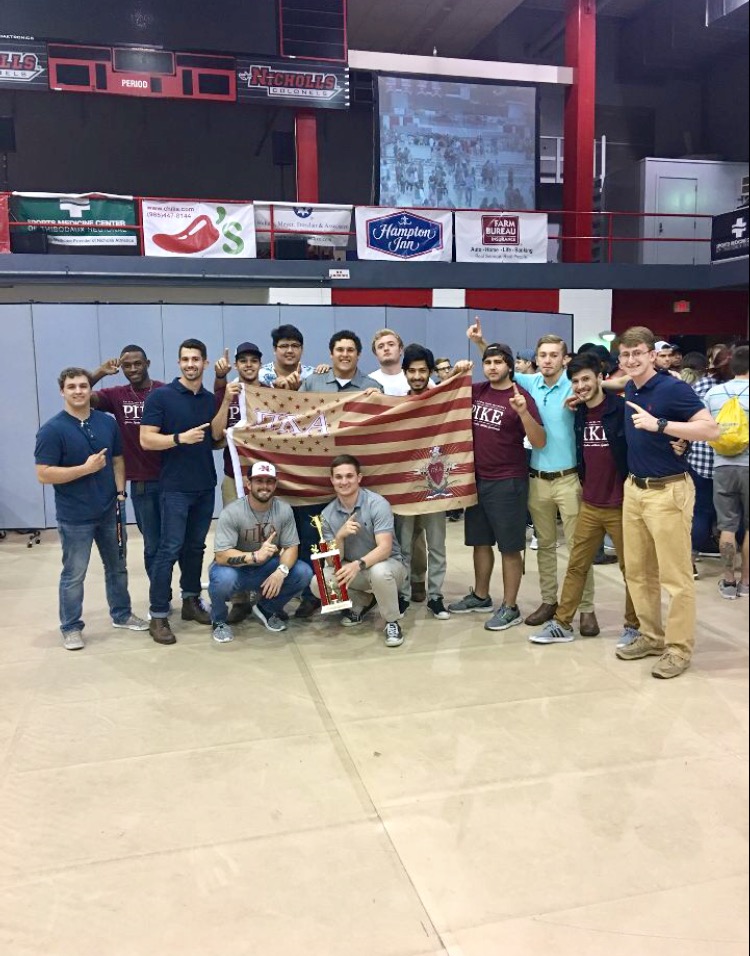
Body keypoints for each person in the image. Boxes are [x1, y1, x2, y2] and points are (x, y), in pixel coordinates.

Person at [467, 317, 598, 634]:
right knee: (546, 547)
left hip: (569, 480)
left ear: (564, 358)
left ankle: (586, 608)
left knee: (579, 548)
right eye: (543, 355)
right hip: (537, 478)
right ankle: (550, 601)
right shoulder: (528, 383)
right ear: (537, 359)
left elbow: (603, 387)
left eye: (555, 355)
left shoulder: (575, 385)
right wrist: (480, 344)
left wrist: (588, 395)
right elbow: (500, 367)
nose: (549, 360)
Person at [615, 326, 719, 679]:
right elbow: (611, 384)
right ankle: (651, 636)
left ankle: (678, 649)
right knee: (639, 572)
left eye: (638, 354)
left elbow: (709, 429)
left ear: (651, 355)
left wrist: (661, 425)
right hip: (635, 491)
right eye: (625, 355)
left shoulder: (674, 387)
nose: (631, 360)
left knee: (675, 577)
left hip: (669, 491)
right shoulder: (631, 385)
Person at [529, 352, 640, 646]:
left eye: (586, 379)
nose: (581, 386)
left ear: (601, 378)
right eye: (576, 381)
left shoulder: (621, 408)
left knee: (632, 569)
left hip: (619, 504)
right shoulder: (577, 413)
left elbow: (639, 384)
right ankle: (563, 623)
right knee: (577, 565)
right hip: (590, 502)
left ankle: (634, 626)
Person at [34, 367, 149, 650]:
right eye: (71, 386)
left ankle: (121, 614)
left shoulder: (107, 423)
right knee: (74, 573)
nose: (78, 391)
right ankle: (71, 626)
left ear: (90, 390)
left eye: (83, 386)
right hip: (75, 516)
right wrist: (84, 470)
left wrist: (120, 493)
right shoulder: (52, 430)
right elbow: (44, 474)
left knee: (117, 567)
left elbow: (118, 460)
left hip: (110, 510)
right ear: (62, 391)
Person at [448, 343, 545, 630]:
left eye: (498, 362)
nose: (492, 367)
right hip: (476, 480)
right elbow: (442, 396)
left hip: (507, 481)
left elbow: (540, 441)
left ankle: (511, 607)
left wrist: (524, 413)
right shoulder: (477, 391)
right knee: (479, 541)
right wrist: (455, 373)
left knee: (510, 547)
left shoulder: (520, 396)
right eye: (487, 361)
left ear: (509, 366)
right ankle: (481, 595)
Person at [294, 332, 384, 619]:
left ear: (358, 354)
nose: (345, 354)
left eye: (350, 350)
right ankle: (324, 596)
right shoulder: (313, 382)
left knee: (354, 541)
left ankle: (358, 596)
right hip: (316, 479)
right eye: (339, 350)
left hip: (350, 482)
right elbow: (293, 420)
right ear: (330, 354)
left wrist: (379, 401)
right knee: (319, 539)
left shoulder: (372, 386)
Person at [140, 338, 218, 645]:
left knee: (195, 548)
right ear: (178, 363)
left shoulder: (210, 400)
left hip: (204, 486)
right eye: (185, 359)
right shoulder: (161, 397)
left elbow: (215, 437)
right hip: (174, 488)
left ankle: (190, 601)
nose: (190, 364)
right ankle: (159, 614)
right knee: (168, 550)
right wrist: (179, 438)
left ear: (205, 363)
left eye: (196, 359)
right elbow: (147, 439)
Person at [396, 344, 465, 620]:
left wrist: (460, 372)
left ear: (430, 372)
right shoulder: (397, 405)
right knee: (403, 546)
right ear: (405, 373)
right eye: (411, 371)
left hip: (437, 486)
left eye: (422, 371)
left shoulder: (442, 401)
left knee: (437, 544)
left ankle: (436, 596)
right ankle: (402, 595)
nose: (416, 376)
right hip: (405, 487)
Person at [208, 461, 313, 642]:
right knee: (222, 579)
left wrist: (281, 571)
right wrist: (254, 556)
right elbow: (221, 555)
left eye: (269, 481)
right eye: (259, 481)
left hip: (266, 568)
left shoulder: (283, 509)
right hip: (235, 569)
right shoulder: (232, 512)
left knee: (303, 572)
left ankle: (267, 608)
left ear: (275, 485)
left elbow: (291, 547)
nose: (264, 486)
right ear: (249, 484)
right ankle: (219, 621)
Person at [312, 454, 408, 648]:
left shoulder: (377, 503)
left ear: (359, 478)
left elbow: (385, 548)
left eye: (349, 476)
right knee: (319, 583)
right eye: (338, 477)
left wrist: (359, 564)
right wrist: (339, 537)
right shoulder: (326, 514)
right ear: (332, 480)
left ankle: (392, 621)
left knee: (379, 571)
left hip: (388, 567)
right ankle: (365, 600)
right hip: (355, 569)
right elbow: (332, 562)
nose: (344, 481)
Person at [88, 346, 165, 579]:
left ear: (147, 363)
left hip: (171, 479)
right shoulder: (116, 395)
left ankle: (184, 593)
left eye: (137, 364)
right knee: (152, 544)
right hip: (141, 482)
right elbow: (80, 393)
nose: (132, 369)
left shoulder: (164, 391)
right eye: (127, 365)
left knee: (174, 542)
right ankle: (159, 595)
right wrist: (100, 372)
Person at [704, 345, 749, 599]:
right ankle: (747, 583)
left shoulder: (714, 393)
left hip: (722, 465)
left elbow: (707, 428)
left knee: (727, 526)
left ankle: (729, 582)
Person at [212, 341, 265, 506]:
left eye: (253, 361)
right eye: (243, 360)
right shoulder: (225, 393)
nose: (248, 365)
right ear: (236, 365)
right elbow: (215, 434)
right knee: (234, 527)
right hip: (233, 474)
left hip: (264, 473)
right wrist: (227, 399)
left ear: (260, 365)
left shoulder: (270, 393)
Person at [257, 324, 329, 389]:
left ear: (302, 349)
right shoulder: (260, 375)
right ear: (275, 349)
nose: (290, 351)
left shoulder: (313, 375)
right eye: (284, 346)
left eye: (295, 346)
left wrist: (327, 372)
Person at [369, 328, 410, 396]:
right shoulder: (369, 382)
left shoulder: (415, 378)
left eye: (391, 344)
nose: (386, 349)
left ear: (400, 349)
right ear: (375, 353)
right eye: (381, 346)